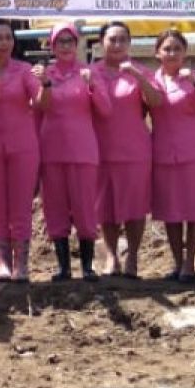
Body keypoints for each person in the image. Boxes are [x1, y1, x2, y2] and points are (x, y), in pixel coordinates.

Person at [39, 22, 110, 282]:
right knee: (55, 207)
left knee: (84, 207)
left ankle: (88, 266)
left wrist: (93, 87)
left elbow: (105, 110)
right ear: (52, 46)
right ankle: (63, 267)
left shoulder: (88, 72)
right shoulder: (45, 74)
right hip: (52, 149)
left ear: (78, 43)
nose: (66, 46)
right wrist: (44, 84)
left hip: (83, 150)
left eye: (70, 41)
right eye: (60, 42)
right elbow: (37, 110)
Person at [90, 21, 161, 279]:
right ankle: (111, 255)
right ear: (101, 43)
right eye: (112, 39)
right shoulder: (90, 72)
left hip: (134, 148)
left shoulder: (140, 71)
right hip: (99, 147)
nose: (117, 44)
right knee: (105, 206)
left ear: (130, 43)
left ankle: (132, 255)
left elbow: (156, 102)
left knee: (134, 205)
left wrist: (139, 77)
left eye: (122, 39)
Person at [0, 19, 44, 282]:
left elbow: (40, 103)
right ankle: (2, 263)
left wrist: (45, 85)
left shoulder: (25, 70)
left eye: (8, 37)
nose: (4, 43)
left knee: (21, 205)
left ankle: (22, 265)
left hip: (23, 145)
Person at [152, 28, 195, 282]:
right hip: (162, 151)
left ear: (185, 53)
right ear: (157, 53)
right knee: (171, 210)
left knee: (194, 208)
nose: (172, 53)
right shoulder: (152, 80)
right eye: (167, 49)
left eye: (177, 49)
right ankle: (177, 261)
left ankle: (190, 262)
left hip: (192, 150)